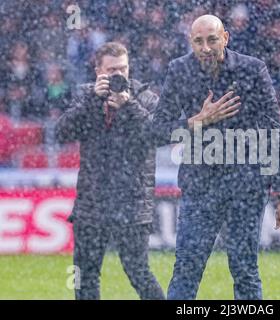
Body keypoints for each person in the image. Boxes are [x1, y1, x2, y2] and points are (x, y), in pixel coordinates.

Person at [153, 14, 280, 300]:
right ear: (190, 42)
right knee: (186, 267)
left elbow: (274, 132)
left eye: (212, 39)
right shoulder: (179, 70)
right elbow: (157, 132)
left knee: (244, 269)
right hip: (200, 186)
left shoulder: (252, 69)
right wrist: (197, 120)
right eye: (198, 41)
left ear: (226, 38)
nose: (205, 47)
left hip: (246, 186)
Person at [56, 42, 167, 300]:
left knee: (138, 272)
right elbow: (62, 132)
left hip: (132, 201)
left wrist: (128, 105)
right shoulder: (87, 95)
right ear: (98, 71)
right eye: (112, 70)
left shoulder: (146, 97)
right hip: (92, 201)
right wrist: (94, 101)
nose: (119, 75)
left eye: (123, 69)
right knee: (84, 275)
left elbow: (159, 134)